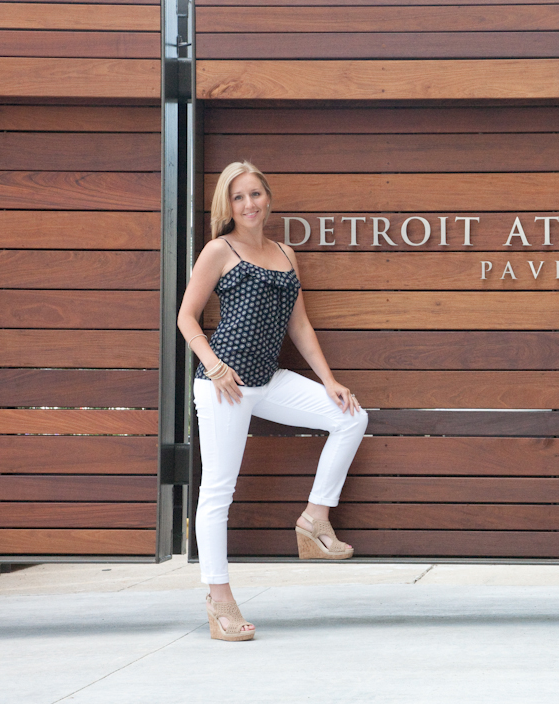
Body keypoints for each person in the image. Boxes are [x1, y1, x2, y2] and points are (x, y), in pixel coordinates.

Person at [177, 161, 367, 642]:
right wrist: (214, 366)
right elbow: (186, 317)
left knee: (351, 417)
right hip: (224, 385)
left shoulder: (285, 253)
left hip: (268, 379)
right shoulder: (219, 250)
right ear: (228, 204)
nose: (249, 204)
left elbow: (298, 324)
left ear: (268, 197)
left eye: (255, 194)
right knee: (218, 491)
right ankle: (220, 600)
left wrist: (328, 380)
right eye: (238, 197)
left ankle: (314, 520)